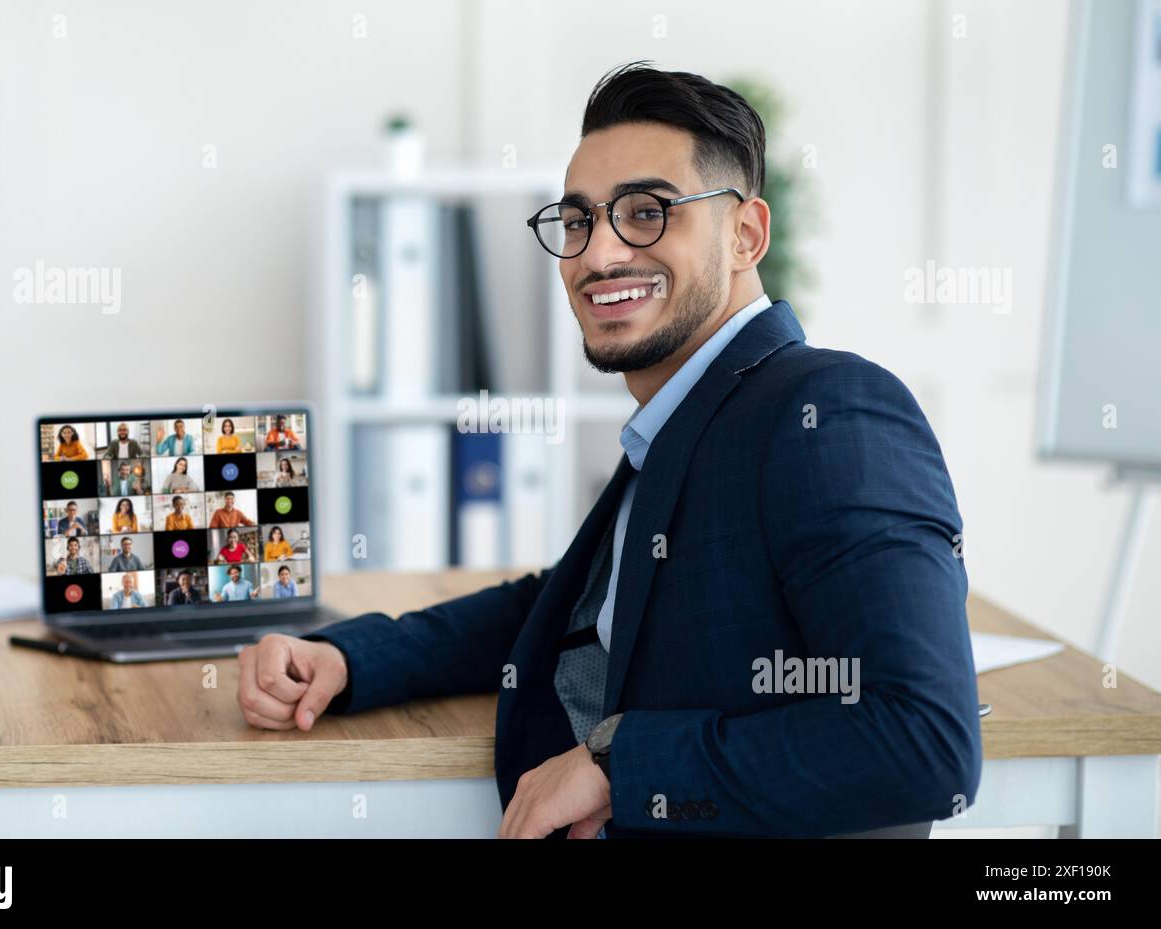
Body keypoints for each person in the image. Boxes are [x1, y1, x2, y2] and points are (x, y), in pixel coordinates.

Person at [236, 64, 981, 840]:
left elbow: (924, 740)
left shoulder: (828, 411)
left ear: (746, 234)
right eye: (580, 220)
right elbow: (564, 609)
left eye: (647, 212)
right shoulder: (685, 418)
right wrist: (352, 658)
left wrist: (617, 767)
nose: (598, 254)